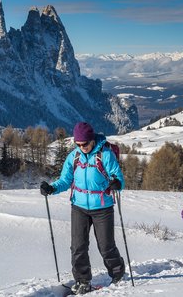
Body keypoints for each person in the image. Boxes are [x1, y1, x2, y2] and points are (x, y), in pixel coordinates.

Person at [40, 122, 125, 295]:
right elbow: (65, 180)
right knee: (78, 246)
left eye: (84, 144)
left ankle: (118, 274)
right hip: (78, 206)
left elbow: (118, 177)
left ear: (92, 140)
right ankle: (82, 280)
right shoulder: (74, 157)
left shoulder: (105, 155)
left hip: (102, 207)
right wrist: (51, 188)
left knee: (106, 246)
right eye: (78, 144)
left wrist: (116, 183)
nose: (81, 147)